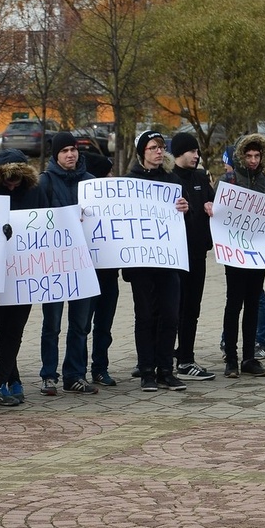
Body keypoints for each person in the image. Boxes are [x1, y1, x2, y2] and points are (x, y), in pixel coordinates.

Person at [125, 131, 190, 392]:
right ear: (142, 152)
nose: (158, 152)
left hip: (167, 261)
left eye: (161, 147)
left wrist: (185, 208)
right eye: (153, 147)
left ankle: (166, 370)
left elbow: (182, 217)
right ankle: (147, 371)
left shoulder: (172, 180)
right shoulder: (130, 182)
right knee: (145, 317)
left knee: (170, 315)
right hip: (141, 263)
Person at [0, 148, 49, 405]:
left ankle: (4, 381)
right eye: (7, 180)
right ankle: (7, 381)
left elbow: (47, 223)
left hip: (26, 272)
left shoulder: (35, 192)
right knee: (3, 326)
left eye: (16, 179)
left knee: (16, 329)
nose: (12, 185)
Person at [209, 134, 265, 378]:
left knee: (253, 305)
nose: (253, 160)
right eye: (249, 156)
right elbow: (217, 214)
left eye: (257, 156)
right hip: (235, 253)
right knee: (234, 304)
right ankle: (231, 359)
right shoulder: (228, 180)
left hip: (257, 253)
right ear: (241, 156)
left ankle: (249, 358)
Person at [37, 132, 97, 395]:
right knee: (52, 324)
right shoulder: (44, 183)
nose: (70, 155)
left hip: (84, 264)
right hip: (54, 265)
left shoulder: (92, 183)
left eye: (73, 150)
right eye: (64, 151)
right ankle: (49, 375)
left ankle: (75, 374)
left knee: (81, 324)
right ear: (55, 155)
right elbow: (36, 222)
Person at [169, 132, 217, 381]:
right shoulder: (167, 180)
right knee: (171, 309)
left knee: (192, 309)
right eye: (192, 151)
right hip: (174, 257)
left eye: (198, 151)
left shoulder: (200, 178)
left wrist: (211, 206)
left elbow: (214, 204)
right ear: (179, 153)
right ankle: (163, 358)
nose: (196, 155)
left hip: (198, 254)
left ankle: (186, 357)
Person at [82, 151, 119, 387]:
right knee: (82, 326)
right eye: (108, 174)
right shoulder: (83, 203)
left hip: (109, 274)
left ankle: (100, 367)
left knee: (104, 326)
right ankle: (76, 369)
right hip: (87, 273)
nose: (112, 177)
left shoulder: (115, 203)